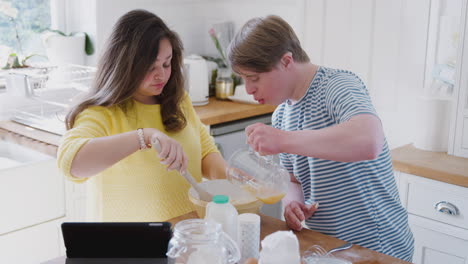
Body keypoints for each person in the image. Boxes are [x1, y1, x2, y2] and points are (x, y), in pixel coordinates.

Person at [227, 15, 414, 261]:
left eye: (254, 78)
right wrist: (293, 203)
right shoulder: (282, 115)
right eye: (244, 80)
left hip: (378, 246)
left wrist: (283, 140)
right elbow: (294, 179)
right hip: (331, 247)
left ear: (286, 61)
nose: (249, 89)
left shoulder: (337, 86)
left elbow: (369, 141)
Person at [57, 9, 225, 222]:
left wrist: (232, 177)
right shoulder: (101, 113)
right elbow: (70, 163)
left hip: (188, 237)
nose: (161, 75)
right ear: (125, 65)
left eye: (167, 63)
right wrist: (144, 137)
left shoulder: (178, 100)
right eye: (150, 67)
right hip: (132, 248)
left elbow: (203, 153)